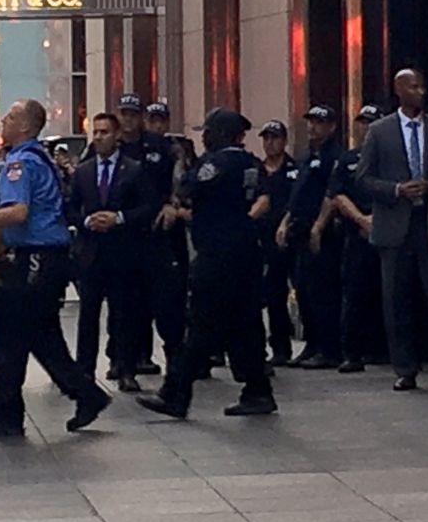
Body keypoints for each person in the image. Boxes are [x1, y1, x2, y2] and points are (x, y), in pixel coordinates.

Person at [0, 99, 111, 437]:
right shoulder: (38, 157)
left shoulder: (20, 163)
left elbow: (18, 212)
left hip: (36, 257)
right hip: (47, 258)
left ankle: (8, 414)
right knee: (41, 335)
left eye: (8, 117)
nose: (2, 122)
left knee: (10, 334)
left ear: (23, 126)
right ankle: (86, 394)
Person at [137, 108, 277, 418]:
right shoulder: (251, 163)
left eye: (209, 131)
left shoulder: (216, 163)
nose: (204, 137)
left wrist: (181, 171)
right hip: (246, 252)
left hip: (217, 255)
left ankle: (175, 393)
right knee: (246, 324)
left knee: (199, 324)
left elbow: (188, 189)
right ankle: (257, 390)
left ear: (222, 134)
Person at [358, 69, 428, 390]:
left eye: (423, 85)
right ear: (399, 90)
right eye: (414, 86)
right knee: (397, 299)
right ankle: (405, 367)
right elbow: (363, 178)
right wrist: (395, 190)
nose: (421, 92)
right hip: (394, 225)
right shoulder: (379, 132)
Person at [68, 112, 153, 392]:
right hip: (91, 252)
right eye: (96, 132)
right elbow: (69, 207)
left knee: (123, 313)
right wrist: (85, 221)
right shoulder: (83, 171)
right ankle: (84, 372)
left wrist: (119, 218)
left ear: (116, 136)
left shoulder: (134, 169)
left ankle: (126, 368)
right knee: (88, 315)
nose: (99, 137)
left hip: (122, 251)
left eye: (104, 132)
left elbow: (146, 207)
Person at [116, 93, 185, 380]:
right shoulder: (113, 148)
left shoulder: (161, 146)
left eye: (134, 113)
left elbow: (180, 179)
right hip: (125, 235)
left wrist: (174, 203)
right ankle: (126, 368)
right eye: (124, 113)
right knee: (127, 308)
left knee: (167, 305)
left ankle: (176, 369)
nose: (129, 119)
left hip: (158, 234)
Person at [276, 104, 344, 369]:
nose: (313, 126)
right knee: (304, 290)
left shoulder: (333, 156)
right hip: (299, 230)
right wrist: (285, 223)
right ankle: (312, 344)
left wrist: (318, 226)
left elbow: (332, 194)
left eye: (319, 122)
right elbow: (297, 197)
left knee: (323, 291)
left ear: (332, 126)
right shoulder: (306, 157)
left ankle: (329, 349)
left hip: (322, 233)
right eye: (311, 121)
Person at [329, 105, 387, 373]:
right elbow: (337, 194)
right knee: (354, 294)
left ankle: (384, 349)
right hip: (357, 231)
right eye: (362, 122)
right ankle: (352, 353)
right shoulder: (348, 158)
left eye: (371, 122)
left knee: (388, 292)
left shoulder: (392, 157)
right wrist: (362, 219)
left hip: (388, 230)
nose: (365, 127)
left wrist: (379, 219)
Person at [256, 120, 298, 365]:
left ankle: (288, 346)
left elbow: (297, 201)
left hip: (288, 238)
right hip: (262, 239)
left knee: (291, 292)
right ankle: (273, 348)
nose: (270, 143)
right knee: (269, 295)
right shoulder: (257, 170)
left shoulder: (294, 170)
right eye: (266, 138)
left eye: (275, 137)